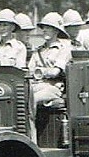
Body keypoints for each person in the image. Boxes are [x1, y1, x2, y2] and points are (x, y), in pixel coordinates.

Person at [28, 12, 72, 142]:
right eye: (44, 27)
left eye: (49, 27)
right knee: (21, 97)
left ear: (56, 31)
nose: (45, 30)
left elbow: (55, 72)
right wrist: (37, 73)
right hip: (37, 85)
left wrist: (40, 71)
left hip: (54, 87)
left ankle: (32, 140)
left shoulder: (64, 49)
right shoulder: (39, 50)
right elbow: (30, 71)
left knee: (32, 100)